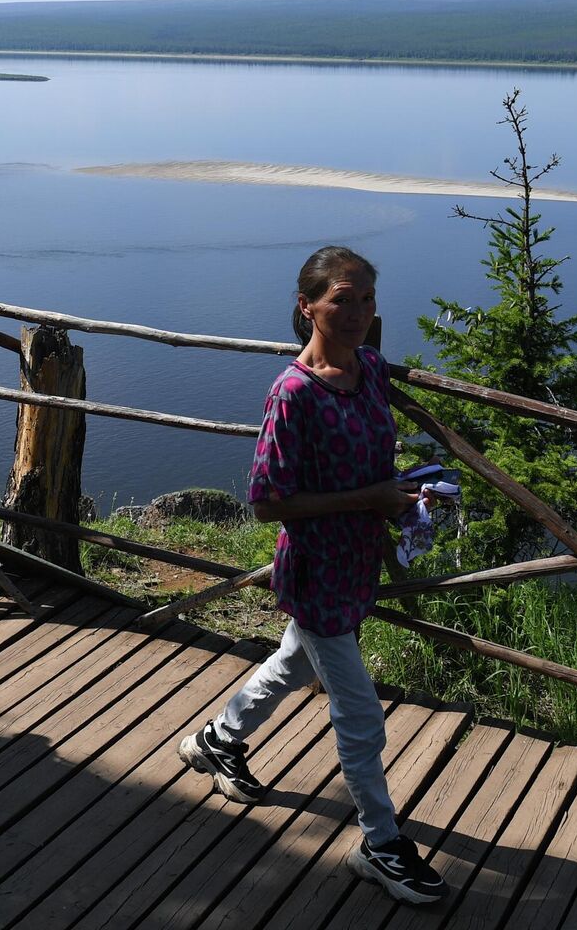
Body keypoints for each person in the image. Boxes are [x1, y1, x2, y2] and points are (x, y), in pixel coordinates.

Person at [177, 246, 448, 905]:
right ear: (308, 306)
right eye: (341, 300)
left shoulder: (372, 371)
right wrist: (371, 499)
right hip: (317, 571)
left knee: (294, 662)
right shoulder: (292, 394)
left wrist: (407, 500)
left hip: (356, 562)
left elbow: (371, 469)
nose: (356, 313)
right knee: (360, 715)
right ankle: (380, 846)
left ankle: (215, 742)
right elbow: (268, 500)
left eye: (365, 301)